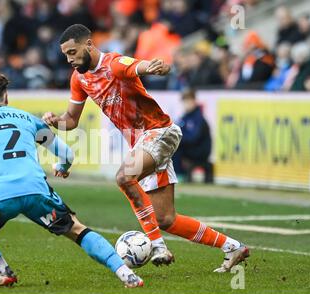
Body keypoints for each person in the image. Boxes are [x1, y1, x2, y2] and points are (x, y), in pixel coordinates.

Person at [43, 24, 249, 272]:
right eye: (66, 55)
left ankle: (158, 246)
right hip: (144, 142)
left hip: (159, 132)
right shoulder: (79, 78)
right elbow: (72, 120)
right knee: (165, 219)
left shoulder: (114, 64)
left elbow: (138, 65)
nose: (69, 59)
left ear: (89, 44)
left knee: (124, 177)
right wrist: (57, 121)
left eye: (73, 52)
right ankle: (233, 246)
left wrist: (154, 66)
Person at [0, 69, 144, 288]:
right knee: (77, 230)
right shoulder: (27, 119)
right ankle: (125, 273)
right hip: (37, 191)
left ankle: (2, 269)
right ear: (5, 96)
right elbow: (66, 154)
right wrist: (62, 167)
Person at [173, 89, 213, 183]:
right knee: (171, 146)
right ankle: (174, 174)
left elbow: (194, 138)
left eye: (188, 101)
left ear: (193, 101)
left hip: (200, 150)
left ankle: (179, 175)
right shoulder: (185, 117)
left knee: (177, 149)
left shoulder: (198, 118)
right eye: (184, 101)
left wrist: (180, 139)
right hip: (190, 148)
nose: (186, 104)